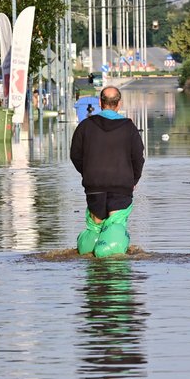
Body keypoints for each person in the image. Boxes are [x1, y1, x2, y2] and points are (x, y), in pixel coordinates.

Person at [70, 86, 145, 257]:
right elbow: (138, 158)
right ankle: (111, 259)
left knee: (95, 225)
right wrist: (133, 180)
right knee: (115, 224)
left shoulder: (85, 126)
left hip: (94, 185)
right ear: (119, 104)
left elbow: (75, 155)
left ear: (99, 103)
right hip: (121, 185)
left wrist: (88, 174)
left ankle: (90, 253)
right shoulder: (129, 128)